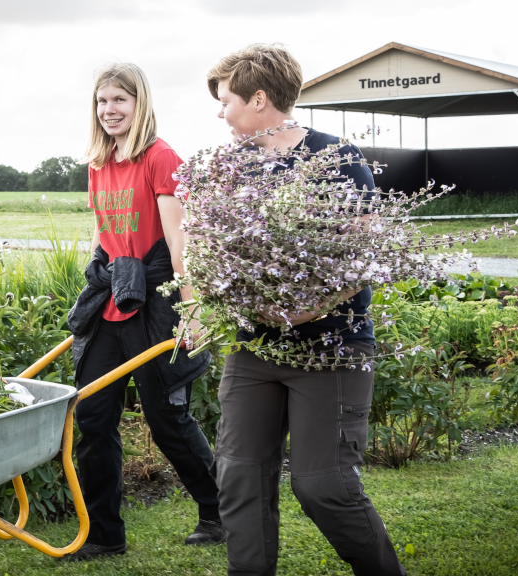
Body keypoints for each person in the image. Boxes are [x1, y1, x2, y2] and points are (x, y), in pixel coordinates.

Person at [200, 44, 407, 576]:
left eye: (226, 101)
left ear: (259, 99)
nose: (221, 113)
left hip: (331, 348)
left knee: (323, 485)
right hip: (255, 349)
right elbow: (213, 249)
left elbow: (366, 256)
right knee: (240, 476)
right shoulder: (231, 169)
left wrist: (311, 308)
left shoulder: (336, 159)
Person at [64, 63, 224, 561]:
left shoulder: (161, 158)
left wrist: (193, 310)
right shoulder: (98, 162)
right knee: (91, 415)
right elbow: (103, 229)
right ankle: (105, 534)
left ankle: (220, 513)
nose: (109, 110)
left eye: (119, 101)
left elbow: (179, 241)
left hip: (155, 301)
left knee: (166, 417)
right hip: (112, 299)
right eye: (102, 101)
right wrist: (94, 273)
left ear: (140, 104)